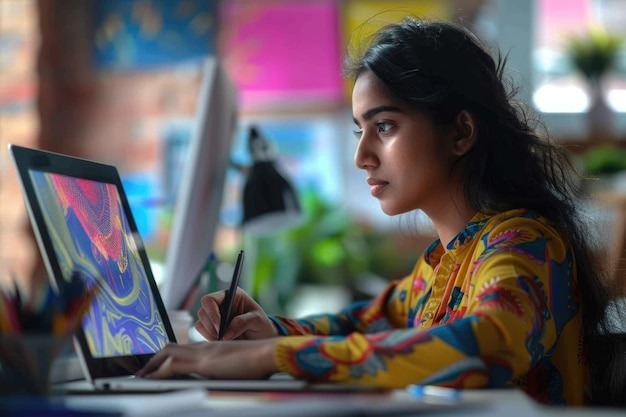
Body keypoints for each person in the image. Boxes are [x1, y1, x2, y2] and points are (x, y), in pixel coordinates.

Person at [137, 18, 621, 406]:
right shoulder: (444, 262)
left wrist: (273, 354)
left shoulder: (523, 244)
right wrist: (273, 330)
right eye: (358, 131)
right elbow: (362, 323)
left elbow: (487, 344)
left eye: (384, 126)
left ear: (461, 133)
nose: (361, 156)